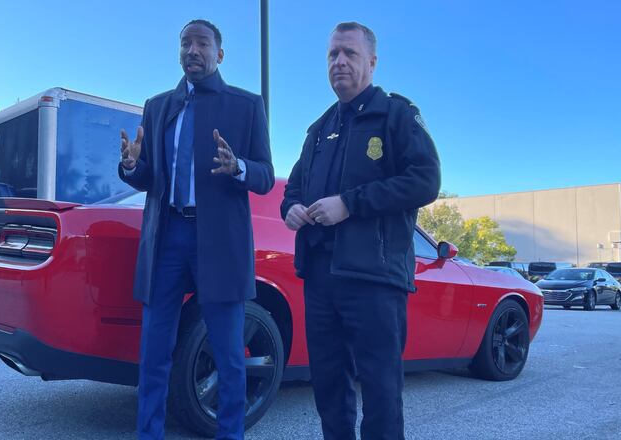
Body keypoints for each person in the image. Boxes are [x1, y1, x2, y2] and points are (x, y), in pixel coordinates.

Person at [280, 22, 441, 440]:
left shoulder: (396, 115)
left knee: (381, 390)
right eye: (333, 54)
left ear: (372, 61)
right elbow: (294, 187)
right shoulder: (318, 130)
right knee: (329, 388)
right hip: (320, 276)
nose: (339, 62)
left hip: (374, 278)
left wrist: (350, 204)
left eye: (349, 54)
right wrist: (291, 208)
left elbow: (425, 180)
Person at [119, 19, 274, 440]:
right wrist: (132, 166)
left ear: (219, 54)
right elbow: (150, 176)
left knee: (228, 355)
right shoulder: (158, 107)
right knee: (154, 352)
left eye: (202, 43)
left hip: (219, 244)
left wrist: (238, 166)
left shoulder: (246, 105)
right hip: (167, 237)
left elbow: (265, 175)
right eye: (186, 43)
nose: (193, 50)